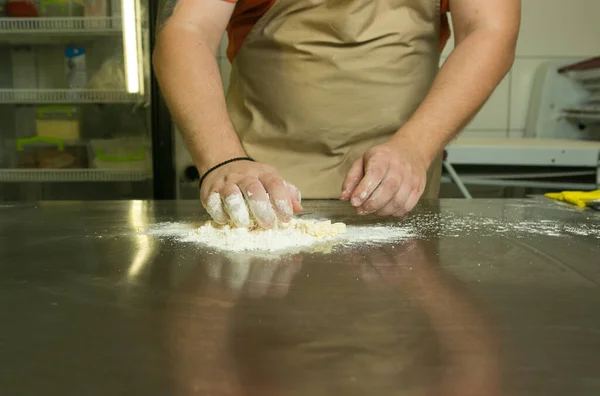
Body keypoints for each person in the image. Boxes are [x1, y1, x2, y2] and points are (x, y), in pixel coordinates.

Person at [153, 0, 521, 229]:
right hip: (258, 190)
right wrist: (223, 159)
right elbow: (185, 28)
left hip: (400, 189)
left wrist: (415, 146)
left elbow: (489, 29)